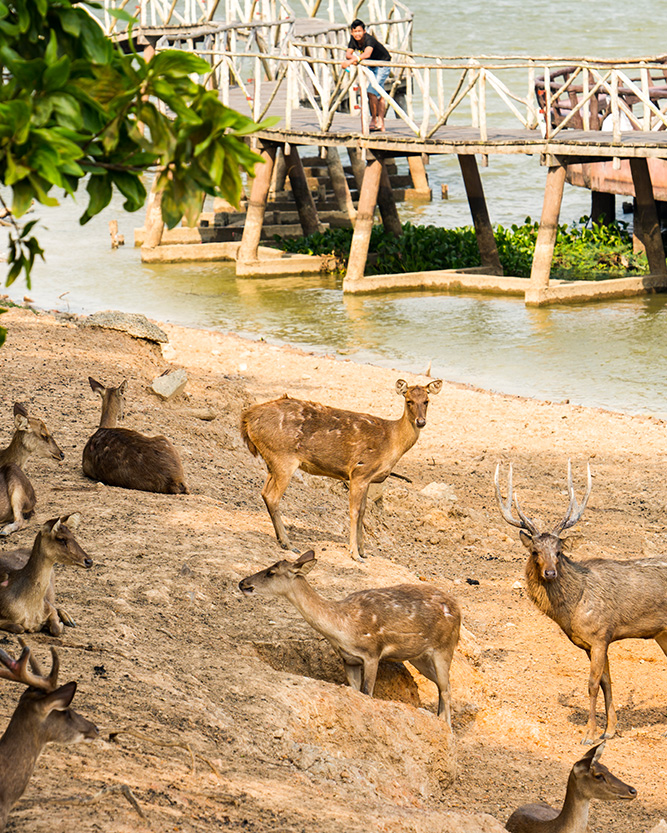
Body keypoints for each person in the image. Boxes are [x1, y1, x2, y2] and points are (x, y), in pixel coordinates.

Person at [342, 19, 391, 132]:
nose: (357, 34)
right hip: (371, 66)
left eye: (360, 31)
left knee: (372, 92)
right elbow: (348, 53)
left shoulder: (369, 39)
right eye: (355, 31)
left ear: (364, 31)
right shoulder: (354, 40)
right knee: (380, 94)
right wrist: (352, 58)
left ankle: (374, 120)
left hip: (383, 65)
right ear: (351, 32)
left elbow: (367, 53)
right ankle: (381, 124)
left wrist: (351, 61)